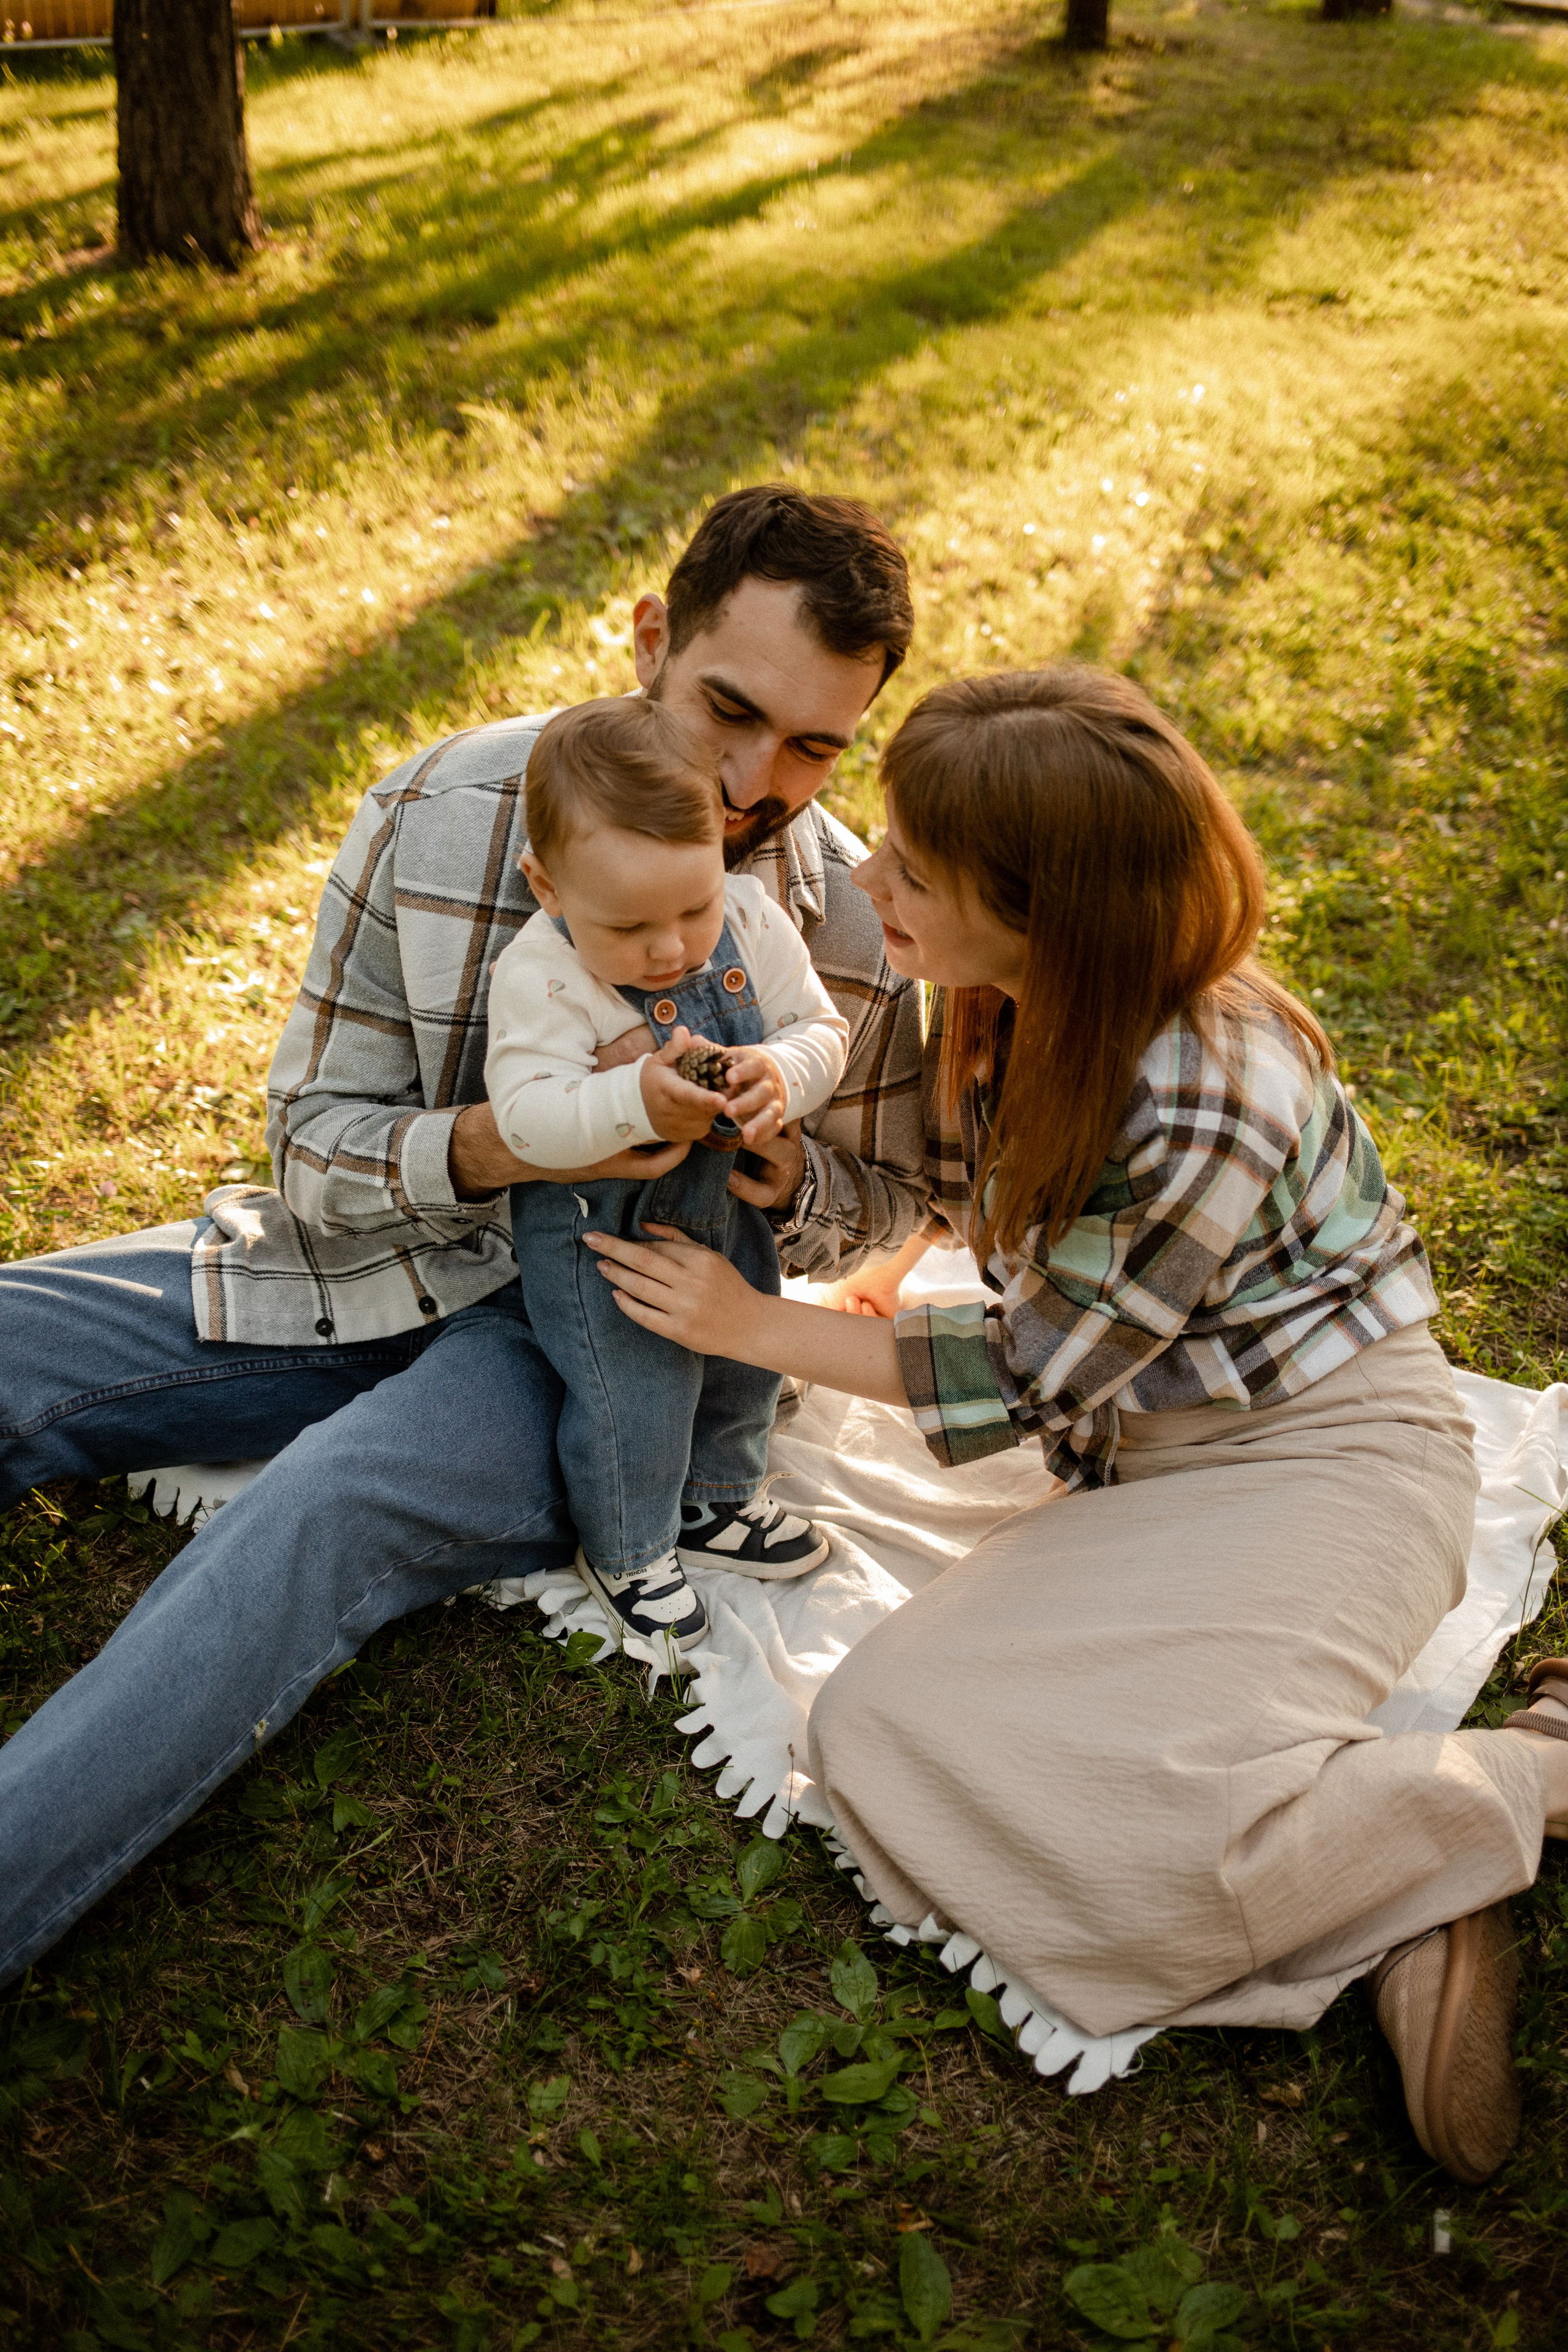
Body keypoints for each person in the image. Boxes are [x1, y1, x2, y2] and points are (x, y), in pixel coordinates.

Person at [581, 665, 1568, 2186]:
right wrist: (775, 1151)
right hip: (1143, 1463)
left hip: (1332, 1466)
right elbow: (903, 1168)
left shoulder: (1205, 1093)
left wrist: (751, 1326)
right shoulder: (999, 1001)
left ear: (1046, 910)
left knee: (1108, 1836)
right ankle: (1400, 1897)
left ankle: (1517, 1781)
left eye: (913, 865)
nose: (864, 871)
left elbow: (1027, 1374)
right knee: (878, 1735)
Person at [0, 485, 925, 1988]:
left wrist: (779, 1188)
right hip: (362, 1256)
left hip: (599, 1344)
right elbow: (311, 1146)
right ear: (648, 642)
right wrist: (494, 1143)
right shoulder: (438, 810)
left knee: (312, 1517)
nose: (760, 782)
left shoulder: (842, 923)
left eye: (816, 746)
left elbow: (885, 1200)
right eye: (730, 712)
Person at [488, 696, 849, 1649]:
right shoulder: (543, 976)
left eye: (695, 907)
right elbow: (525, 1117)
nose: (672, 948)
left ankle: (718, 1499)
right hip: (605, 1238)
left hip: (727, 1213)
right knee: (634, 1389)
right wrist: (632, 1104)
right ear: (549, 886)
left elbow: (823, 1031)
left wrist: (782, 1072)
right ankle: (630, 1543)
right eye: (631, 926)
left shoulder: (750, 921)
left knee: (743, 1360)